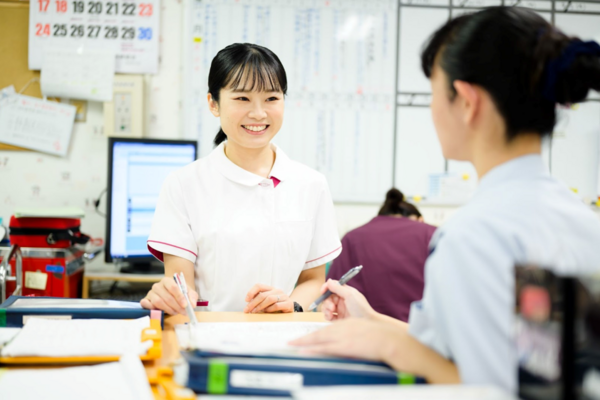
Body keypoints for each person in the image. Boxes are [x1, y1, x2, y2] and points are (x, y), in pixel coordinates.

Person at [291, 7, 600, 393]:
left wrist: (387, 344)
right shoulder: (583, 223)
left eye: (435, 91)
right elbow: (524, 363)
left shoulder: (474, 236)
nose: (433, 109)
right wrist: (372, 320)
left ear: (467, 102)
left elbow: (494, 388)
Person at [141, 43, 341, 315]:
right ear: (213, 103)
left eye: (272, 98)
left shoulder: (311, 185)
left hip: (281, 338)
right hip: (209, 339)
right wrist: (171, 296)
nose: (259, 114)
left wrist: (291, 305)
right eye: (242, 99)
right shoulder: (183, 184)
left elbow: (313, 280)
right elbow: (180, 285)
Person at [327, 188, 436, 321]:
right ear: (420, 219)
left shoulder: (352, 238)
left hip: (363, 332)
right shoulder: (432, 234)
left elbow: (331, 295)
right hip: (421, 335)